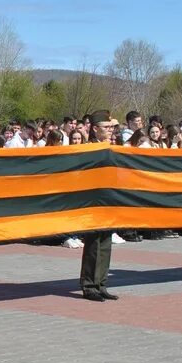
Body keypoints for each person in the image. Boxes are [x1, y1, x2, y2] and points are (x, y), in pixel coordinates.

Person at [80, 110, 119, 301]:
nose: (110, 130)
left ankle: (101, 283)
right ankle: (89, 286)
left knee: (105, 243)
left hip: (109, 201)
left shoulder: (113, 147)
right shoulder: (88, 149)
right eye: (106, 127)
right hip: (93, 202)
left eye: (111, 127)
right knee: (93, 244)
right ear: (95, 129)